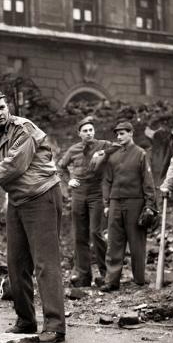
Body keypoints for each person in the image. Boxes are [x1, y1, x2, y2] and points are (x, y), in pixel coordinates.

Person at [0, 85, 66, 343]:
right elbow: (0, 165)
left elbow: (14, 165)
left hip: (41, 195)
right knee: (16, 264)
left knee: (45, 263)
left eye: (2, 107)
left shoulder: (24, 129)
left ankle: (55, 326)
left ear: (7, 107)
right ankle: (25, 321)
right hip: (18, 201)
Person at [58, 116, 120, 288]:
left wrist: (103, 153)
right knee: (79, 234)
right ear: (79, 134)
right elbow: (60, 167)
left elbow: (118, 146)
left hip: (96, 192)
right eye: (85, 131)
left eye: (91, 130)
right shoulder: (73, 149)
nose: (88, 133)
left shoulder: (102, 144)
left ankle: (106, 274)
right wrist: (68, 181)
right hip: (78, 193)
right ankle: (83, 276)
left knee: (96, 233)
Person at [101, 122, 156, 292]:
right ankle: (111, 281)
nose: (119, 137)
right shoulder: (113, 155)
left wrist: (149, 205)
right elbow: (107, 181)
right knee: (114, 242)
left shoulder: (140, 153)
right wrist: (107, 204)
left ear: (131, 133)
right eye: (117, 134)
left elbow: (148, 181)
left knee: (136, 242)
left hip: (135, 202)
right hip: (116, 202)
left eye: (122, 133)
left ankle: (139, 280)